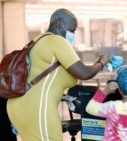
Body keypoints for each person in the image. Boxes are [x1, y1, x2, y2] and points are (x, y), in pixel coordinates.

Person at [7, 8, 109, 141]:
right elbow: (84, 73)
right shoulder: (56, 41)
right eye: (72, 30)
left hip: (18, 105)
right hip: (37, 108)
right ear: (59, 23)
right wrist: (101, 62)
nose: (73, 34)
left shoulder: (36, 41)